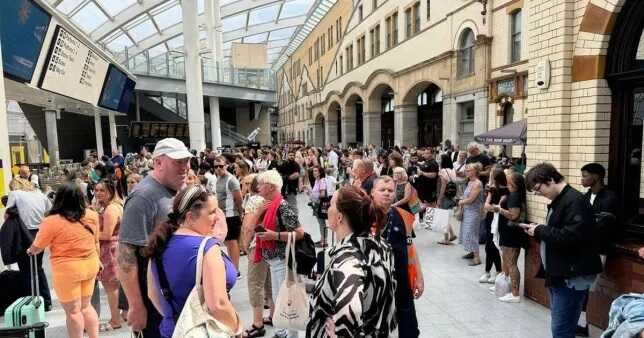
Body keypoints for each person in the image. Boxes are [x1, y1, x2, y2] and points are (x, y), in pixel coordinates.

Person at [143, 185, 240, 337]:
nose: (217, 217)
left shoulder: (159, 245)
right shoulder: (207, 247)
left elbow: (153, 295)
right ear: (189, 217)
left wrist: (181, 318)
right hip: (207, 331)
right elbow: (218, 304)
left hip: (172, 331)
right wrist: (237, 328)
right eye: (212, 212)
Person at [118, 137, 192, 337]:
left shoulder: (176, 190)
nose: (185, 167)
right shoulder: (143, 197)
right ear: (158, 163)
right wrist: (136, 305)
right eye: (178, 162)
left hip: (173, 300)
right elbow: (126, 257)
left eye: (186, 161)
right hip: (153, 304)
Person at [524, 163, 603, 338]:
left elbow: (570, 237)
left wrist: (539, 230)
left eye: (538, 189)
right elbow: (559, 233)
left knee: (562, 329)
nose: (538, 194)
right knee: (561, 327)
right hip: (560, 274)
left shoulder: (574, 201)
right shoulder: (561, 200)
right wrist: (537, 230)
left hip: (571, 277)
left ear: (550, 180)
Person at [307, 185, 396, 337]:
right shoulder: (381, 245)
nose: (328, 209)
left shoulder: (347, 259)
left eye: (331, 205)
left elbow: (352, 308)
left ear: (340, 216)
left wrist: (340, 333)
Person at [27, 182, 101, 338]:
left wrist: (31, 250)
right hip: (90, 264)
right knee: (86, 307)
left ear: (59, 199)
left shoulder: (52, 220)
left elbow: (39, 245)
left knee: (73, 312)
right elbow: (95, 241)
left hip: (68, 270)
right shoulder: (92, 215)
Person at [250, 170, 305, 338]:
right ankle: (282, 332)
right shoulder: (270, 205)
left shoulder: (282, 206)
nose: (257, 187)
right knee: (278, 298)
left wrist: (274, 236)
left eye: (261, 184)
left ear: (271, 187)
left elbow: (300, 233)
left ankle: (290, 334)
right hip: (274, 260)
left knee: (286, 300)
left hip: (283, 260)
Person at [371, 176, 424, 338]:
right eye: (382, 190)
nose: (387, 194)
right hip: (374, 285)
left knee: (407, 330)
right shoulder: (364, 216)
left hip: (401, 283)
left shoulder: (403, 216)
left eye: (390, 190)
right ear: (372, 192)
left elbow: (410, 249)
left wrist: (419, 277)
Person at [577, 163, 619, 336]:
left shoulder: (610, 197)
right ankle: (580, 324)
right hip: (583, 248)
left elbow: (602, 223)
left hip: (598, 248)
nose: (582, 179)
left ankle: (581, 325)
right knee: (581, 287)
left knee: (587, 287)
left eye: (585, 175)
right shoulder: (585, 197)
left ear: (596, 177)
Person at [6, 177, 53, 310]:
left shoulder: (14, 194)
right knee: (37, 267)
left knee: (25, 269)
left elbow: (7, 215)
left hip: (23, 233)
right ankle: (46, 301)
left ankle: (30, 302)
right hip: (40, 233)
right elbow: (49, 210)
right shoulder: (39, 194)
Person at [240, 175, 273, 338]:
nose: (244, 185)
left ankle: (257, 323)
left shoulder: (253, 201)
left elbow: (247, 227)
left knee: (255, 283)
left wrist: (245, 245)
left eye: (247, 183)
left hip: (257, 245)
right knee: (268, 281)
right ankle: (273, 314)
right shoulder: (273, 198)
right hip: (272, 243)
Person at [492, 171, 528, 303]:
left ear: (514, 182)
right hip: (509, 232)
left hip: (511, 233)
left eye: (509, 177)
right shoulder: (513, 194)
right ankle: (508, 288)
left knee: (511, 263)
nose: (506, 177)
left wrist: (499, 209)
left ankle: (515, 293)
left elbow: (513, 215)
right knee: (508, 262)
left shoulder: (514, 196)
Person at [94, 179, 124, 331]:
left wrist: (89, 233)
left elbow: (106, 234)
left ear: (110, 192)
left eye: (102, 190)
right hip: (115, 249)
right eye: (96, 190)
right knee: (117, 285)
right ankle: (122, 315)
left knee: (110, 287)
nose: (98, 193)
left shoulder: (111, 209)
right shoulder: (114, 205)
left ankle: (115, 320)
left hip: (110, 251)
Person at [208, 156, 244, 271]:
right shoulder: (217, 179)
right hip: (222, 215)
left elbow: (239, 199)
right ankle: (233, 268)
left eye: (221, 166)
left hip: (231, 215)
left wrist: (240, 213)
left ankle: (235, 270)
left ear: (226, 166)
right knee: (228, 242)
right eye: (216, 167)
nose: (218, 169)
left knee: (232, 242)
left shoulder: (231, 180)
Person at [479, 168, 507, 283]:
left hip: (499, 220)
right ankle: (487, 272)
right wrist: (493, 207)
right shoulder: (492, 189)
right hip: (490, 219)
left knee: (493, 245)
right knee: (488, 246)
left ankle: (498, 271)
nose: (489, 178)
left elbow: (498, 207)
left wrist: (493, 207)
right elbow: (486, 205)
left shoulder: (506, 191)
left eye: (491, 176)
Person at [458, 163, 484, 266]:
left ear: (475, 171)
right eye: (467, 170)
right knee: (466, 232)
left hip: (474, 212)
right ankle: (471, 252)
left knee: (471, 233)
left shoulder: (477, 183)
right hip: (467, 211)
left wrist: (461, 202)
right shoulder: (470, 182)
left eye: (469, 170)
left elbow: (471, 199)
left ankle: (477, 258)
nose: (467, 171)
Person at [309, 166, 330, 247]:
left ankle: (324, 241)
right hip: (317, 204)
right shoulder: (317, 180)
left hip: (320, 204)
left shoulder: (321, 181)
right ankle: (322, 239)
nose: (314, 172)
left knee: (322, 223)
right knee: (320, 223)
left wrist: (312, 194)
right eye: (313, 171)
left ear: (320, 172)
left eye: (316, 171)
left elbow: (322, 194)